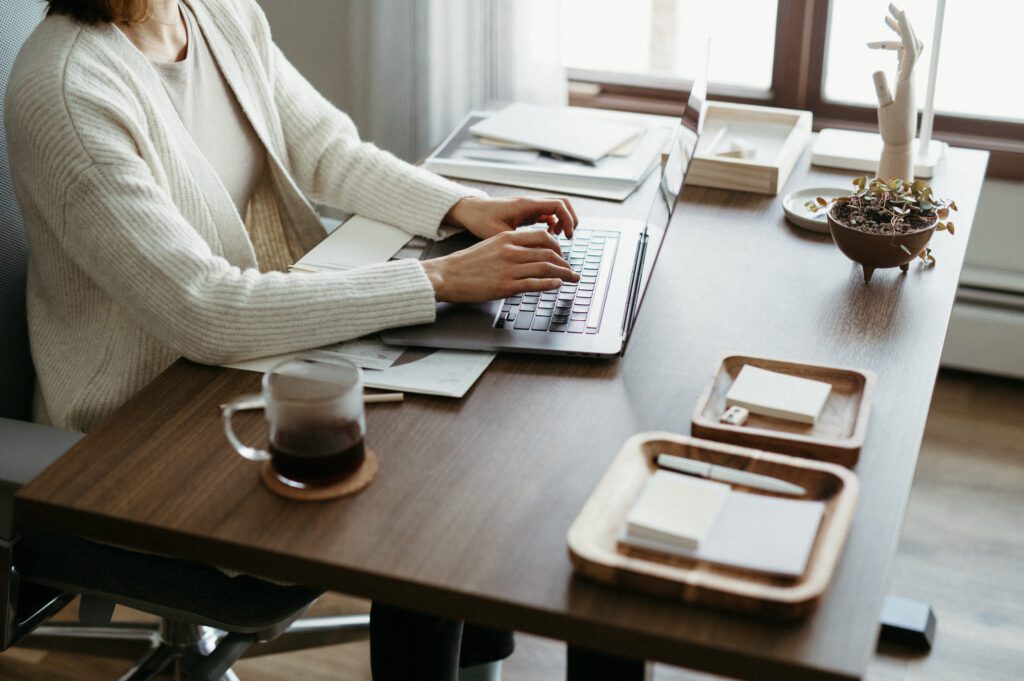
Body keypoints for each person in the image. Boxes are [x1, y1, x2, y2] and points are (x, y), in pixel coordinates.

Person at [5, 0, 580, 678]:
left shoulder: (214, 12)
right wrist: (439, 280)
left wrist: (460, 205)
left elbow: (326, 149)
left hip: (245, 362)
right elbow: (205, 308)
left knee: (466, 454)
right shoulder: (67, 89)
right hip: (139, 430)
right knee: (424, 517)